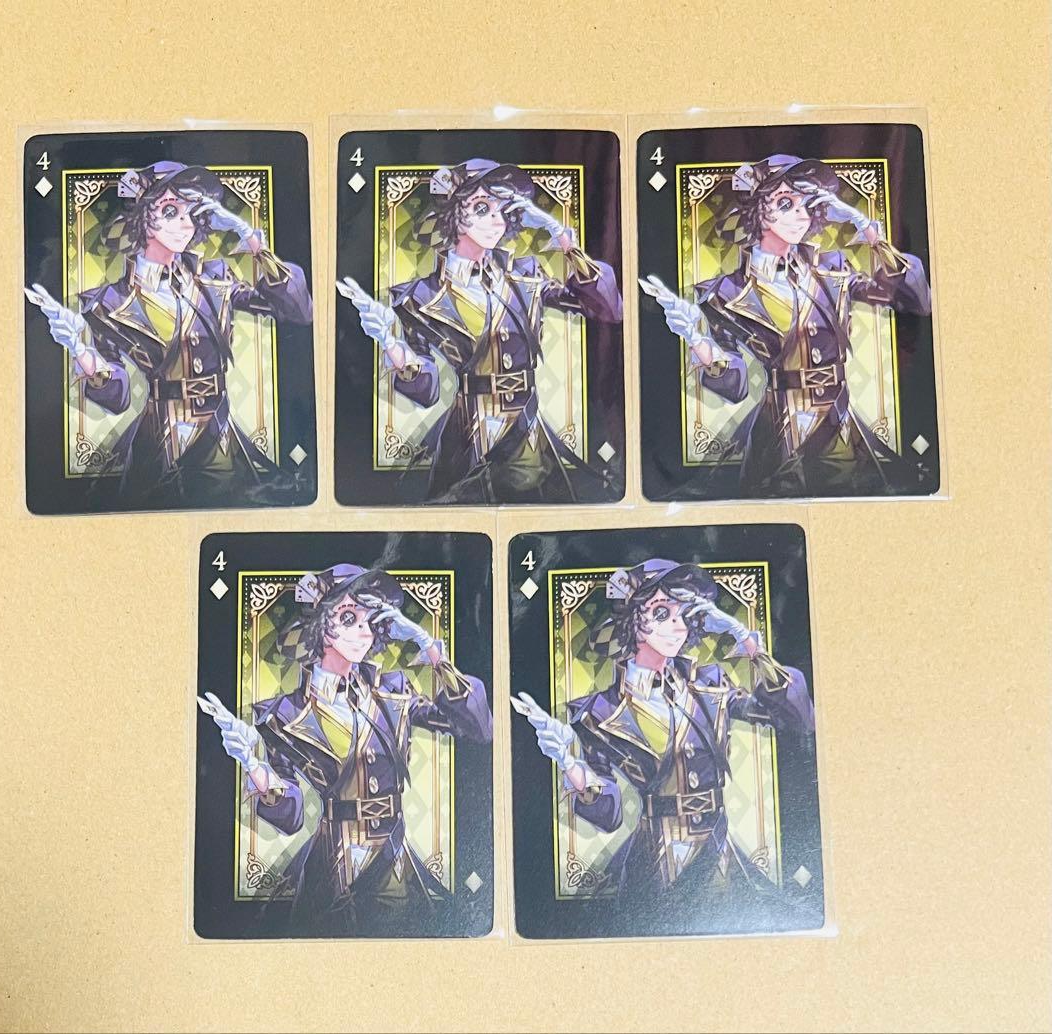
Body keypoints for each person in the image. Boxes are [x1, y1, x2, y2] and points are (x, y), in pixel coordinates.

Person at [513, 558, 813, 922]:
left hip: (721, 851)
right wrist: (570, 764)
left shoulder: (711, 682)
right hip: (658, 858)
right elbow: (608, 815)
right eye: (661, 612)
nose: (678, 624)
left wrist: (749, 644)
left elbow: (796, 720)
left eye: (684, 613)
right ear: (632, 622)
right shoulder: (597, 712)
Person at [198, 563, 492, 934]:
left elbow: (478, 729)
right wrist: (253, 767)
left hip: (395, 860)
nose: (363, 632)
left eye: (371, 619)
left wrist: (429, 648)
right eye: (349, 617)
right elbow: (290, 818)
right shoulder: (283, 714)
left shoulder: (394, 690)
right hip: (335, 866)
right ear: (319, 626)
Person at [641, 153, 932, 497]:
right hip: (780, 434)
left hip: (840, 429)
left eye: (808, 204)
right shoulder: (723, 292)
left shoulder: (833, 268)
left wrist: (868, 231)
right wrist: (697, 341)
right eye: (785, 203)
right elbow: (735, 388)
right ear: (756, 211)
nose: (801, 215)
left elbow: (915, 301)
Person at [25, 160, 313, 506]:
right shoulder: (108, 302)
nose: (185, 224)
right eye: (171, 211)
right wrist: (82, 353)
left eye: (193, 212)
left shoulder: (216, 277)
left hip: (220, 437)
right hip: (161, 441)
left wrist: (252, 240)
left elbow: (298, 312)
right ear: (141, 217)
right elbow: (117, 398)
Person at [337, 157, 622, 503]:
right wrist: (391, 345)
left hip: (529, 435)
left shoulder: (526, 274)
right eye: (483, 208)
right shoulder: (419, 296)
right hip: (469, 436)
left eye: (504, 210)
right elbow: (425, 392)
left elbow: (608, 309)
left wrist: (562, 238)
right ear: (453, 214)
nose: (496, 221)